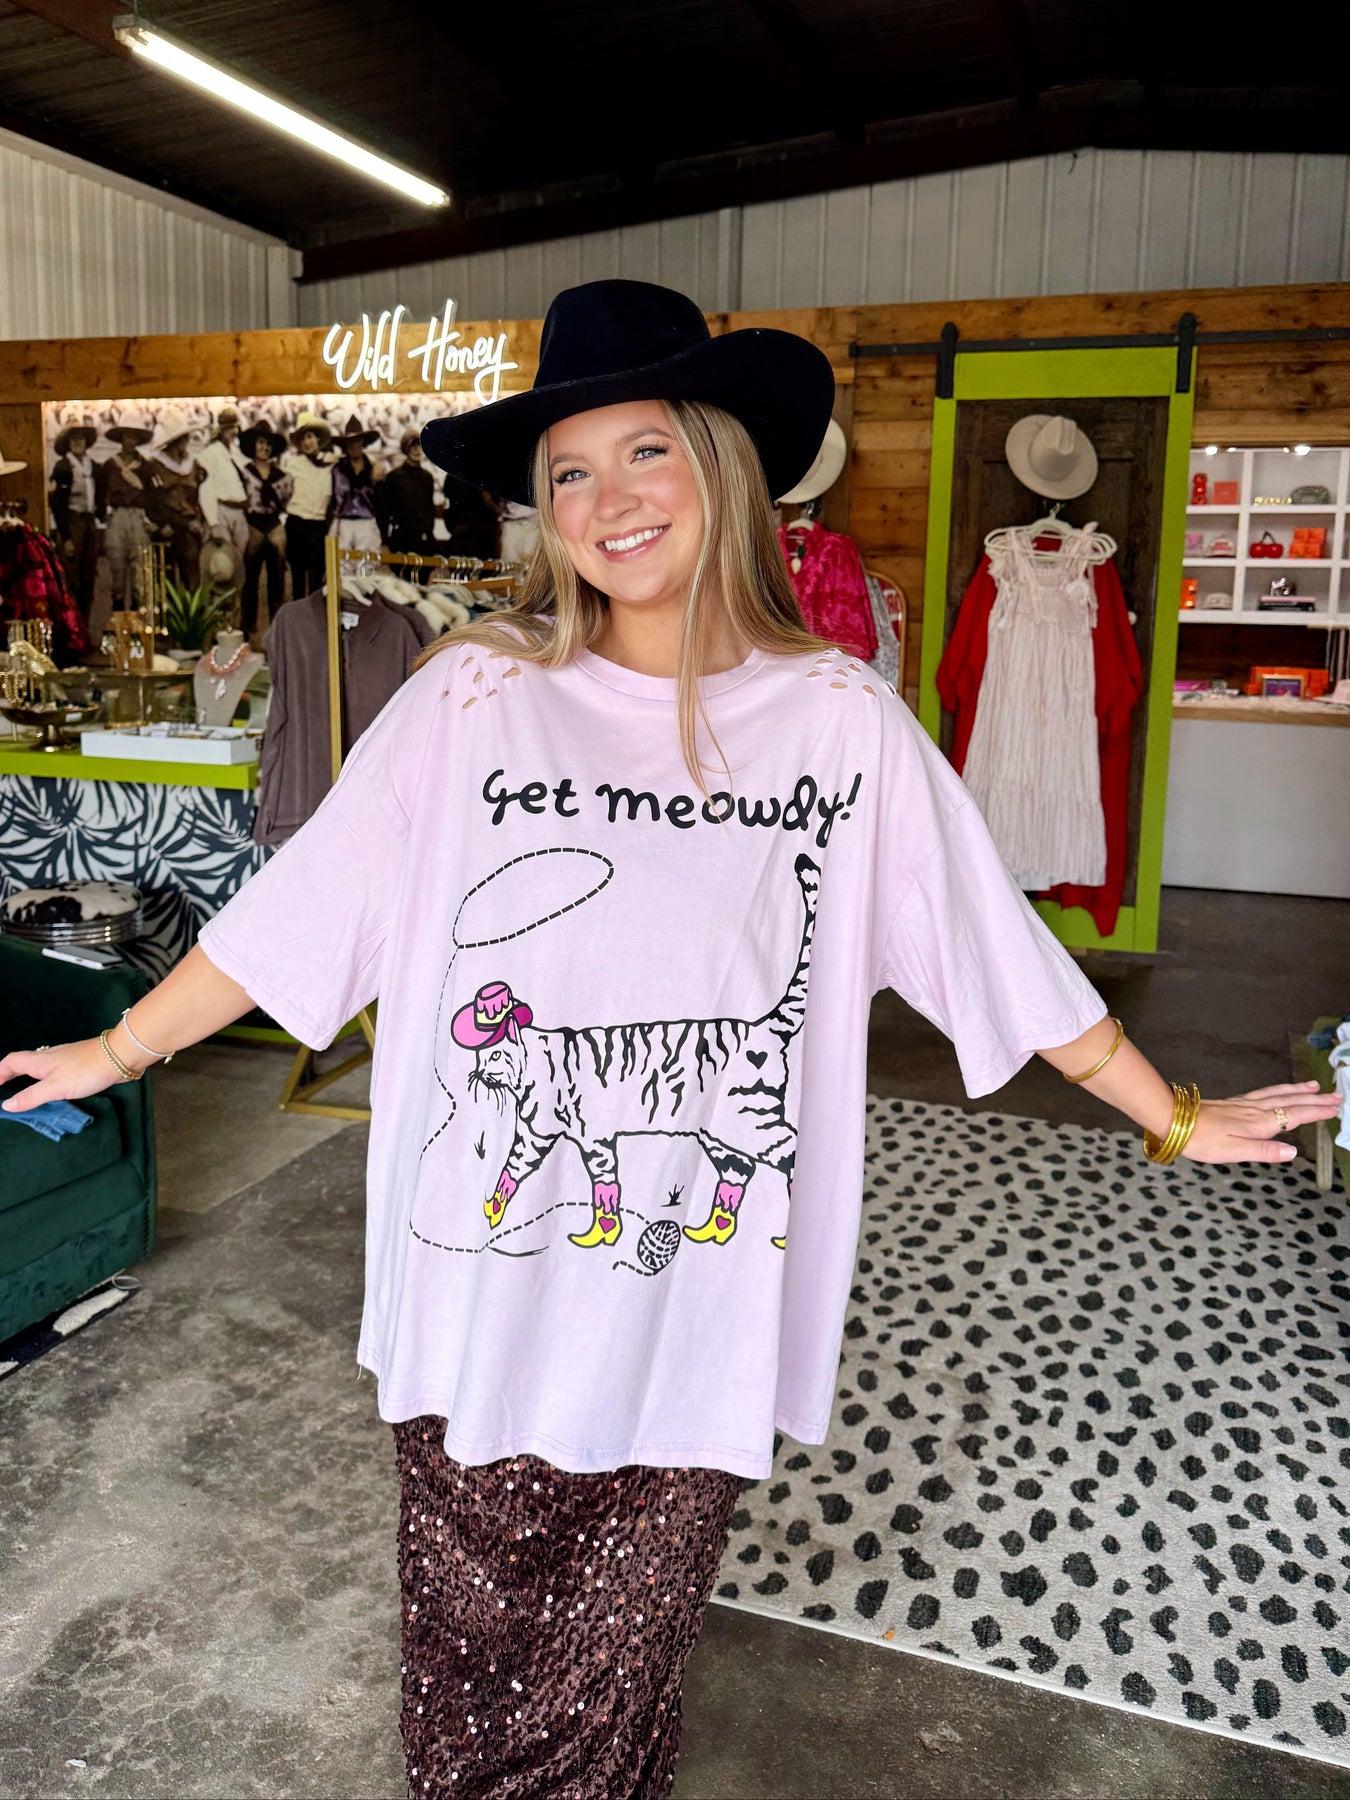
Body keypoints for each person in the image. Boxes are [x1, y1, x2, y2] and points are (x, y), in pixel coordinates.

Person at [2, 279, 1339, 1800]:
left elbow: (992, 947)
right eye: (568, 471)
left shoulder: (837, 720)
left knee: (613, 1684)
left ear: (722, 467)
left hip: (695, 1296)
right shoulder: (473, 696)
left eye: (644, 452)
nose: (608, 500)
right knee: (469, 1660)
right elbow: (295, 919)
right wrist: (110, 1053)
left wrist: (1174, 1113)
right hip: (483, 1285)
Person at [94, 410, 157, 609]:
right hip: (118, 516)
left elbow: (153, 494)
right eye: (127, 436)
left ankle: (139, 617)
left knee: (140, 569)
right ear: (121, 438)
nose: (131, 441)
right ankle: (119, 616)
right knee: (117, 566)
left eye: (134, 437)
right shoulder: (110, 465)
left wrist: (152, 519)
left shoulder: (145, 466)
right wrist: (103, 515)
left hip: (138, 516)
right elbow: (99, 492)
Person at [238, 421, 293, 640]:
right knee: (249, 577)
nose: (264, 448)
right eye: (260, 443)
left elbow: (287, 500)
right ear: (253, 445)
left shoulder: (282, 477)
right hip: (252, 524)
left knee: (277, 576)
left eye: (268, 444)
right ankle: (248, 628)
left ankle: (276, 627)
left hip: (274, 524)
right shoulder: (244, 474)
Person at [145, 409, 208, 590]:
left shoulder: (193, 465)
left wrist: (199, 520)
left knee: (193, 580)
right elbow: (153, 501)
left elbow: (200, 497)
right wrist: (164, 523)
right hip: (166, 528)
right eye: (183, 439)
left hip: (190, 530)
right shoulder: (154, 466)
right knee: (166, 582)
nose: (187, 443)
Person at [48, 418, 100, 622]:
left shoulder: (92, 466)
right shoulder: (63, 467)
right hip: (72, 523)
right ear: (68, 443)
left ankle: (85, 623)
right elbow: (58, 505)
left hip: (89, 523)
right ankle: (71, 625)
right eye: (74, 439)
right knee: (71, 576)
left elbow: (101, 495)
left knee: (89, 575)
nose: (78, 443)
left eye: (81, 439)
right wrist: (67, 537)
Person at [281, 411, 334, 600]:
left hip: (318, 526)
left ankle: (314, 616)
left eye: (310, 437)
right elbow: (282, 492)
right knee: (297, 576)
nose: (306, 443)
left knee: (317, 577)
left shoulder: (331, 463)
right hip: (297, 524)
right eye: (302, 439)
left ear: (318, 438)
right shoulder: (293, 465)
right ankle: (298, 614)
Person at [376, 430, 437, 567]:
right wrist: (385, 541)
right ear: (405, 449)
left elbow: (429, 509)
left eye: (419, 445)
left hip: (424, 539)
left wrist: (429, 534)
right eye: (412, 445)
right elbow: (384, 511)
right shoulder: (394, 477)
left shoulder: (427, 477)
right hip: (402, 538)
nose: (416, 449)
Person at [197, 407, 250, 559]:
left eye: (235, 427)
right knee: (224, 558)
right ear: (221, 430)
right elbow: (206, 490)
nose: (233, 432)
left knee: (239, 559)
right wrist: (213, 523)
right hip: (222, 510)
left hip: (239, 510)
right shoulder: (210, 453)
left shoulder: (235, 452)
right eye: (229, 428)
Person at [327, 414, 382, 553]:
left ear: (363, 443)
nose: (354, 445)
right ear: (345, 446)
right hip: (342, 522)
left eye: (357, 441)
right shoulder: (337, 469)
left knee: (368, 563)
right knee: (341, 563)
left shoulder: (374, 469)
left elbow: (381, 503)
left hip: (366, 523)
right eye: (350, 442)